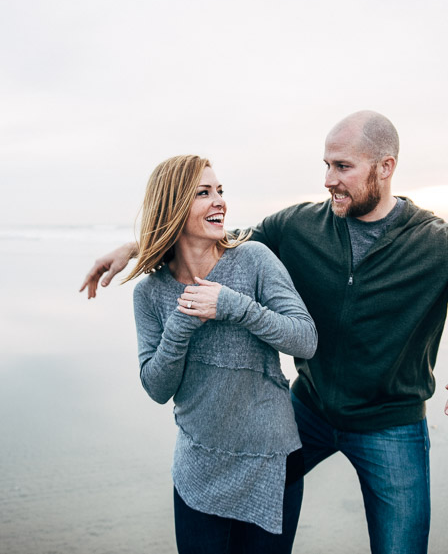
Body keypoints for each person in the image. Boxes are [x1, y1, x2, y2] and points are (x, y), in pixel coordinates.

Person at [81, 112, 448, 554]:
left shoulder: (440, 244)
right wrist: (138, 247)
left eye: (343, 166)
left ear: (385, 167)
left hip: (389, 426)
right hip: (305, 412)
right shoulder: (297, 226)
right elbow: (211, 240)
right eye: (326, 165)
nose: (328, 179)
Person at [122, 154, 317, 554]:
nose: (220, 202)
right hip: (199, 470)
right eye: (204, 193)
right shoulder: (149, 293)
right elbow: (157, 388)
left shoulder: (255, 259)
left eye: (221, 191)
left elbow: (305, 339)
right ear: (173, 205)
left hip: (271, 462)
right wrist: (181, 323)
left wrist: (234, 306)